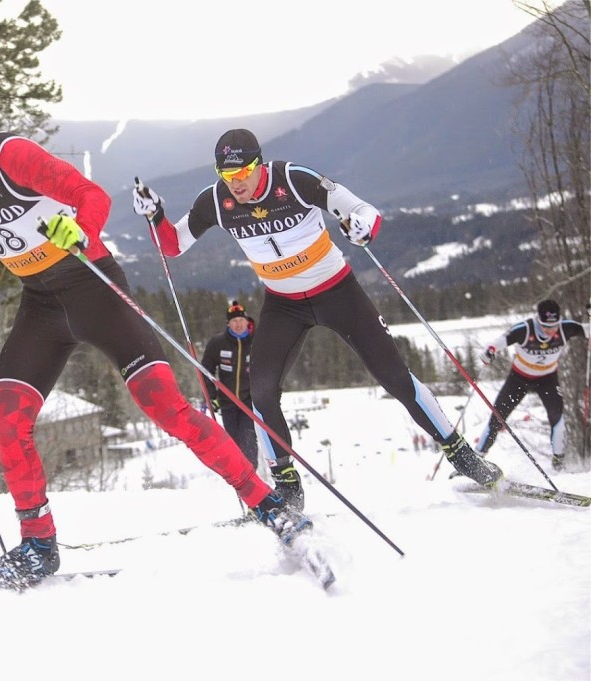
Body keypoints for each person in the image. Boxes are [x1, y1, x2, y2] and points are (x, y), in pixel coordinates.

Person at [0, 72, 316, 587]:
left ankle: (271, 508)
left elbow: (90, 196)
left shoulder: (11, 157)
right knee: (9, 417)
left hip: (93, 291)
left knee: (168, 408)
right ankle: (38, 546)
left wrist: (79, 229)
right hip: (41, 305)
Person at [132, 128, 503, 509]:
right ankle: (288, 485)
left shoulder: (295, 180)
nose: (237, 182)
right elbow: (172, 245)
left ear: (259, 164)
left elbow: (364, 211)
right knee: (260, 392)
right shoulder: (215, 201)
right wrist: (155, 215)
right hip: (283, 303)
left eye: (244, 172)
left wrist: (363, 227)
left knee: (394, 377)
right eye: (227, 175)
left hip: (337, 292)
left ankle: (461, 455)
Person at [475, 299, 588, 470]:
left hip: (547, 379)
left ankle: (559, 463)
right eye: (545, 326)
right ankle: (476, 460)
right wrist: (488, 352)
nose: (550, 331)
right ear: (538, 320)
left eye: (554, 325)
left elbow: (587, 330)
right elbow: (497, 343)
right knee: (497, 417)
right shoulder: (525, 330)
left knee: (557, 416)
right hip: (519, 378)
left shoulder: (566, 328)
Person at [201, 300, 260, 470]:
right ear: (228, 324)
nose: (239, 324)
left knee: (248, 438)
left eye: (242, 320)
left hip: (250, 401)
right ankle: (238, 477)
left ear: (247, 321)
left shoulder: (256, 341)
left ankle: (252, 476)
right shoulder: (217, 343)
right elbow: (206, 370)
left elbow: (270, 366)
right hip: (227, 403)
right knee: (233, 441)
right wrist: (211, 397)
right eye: (234, 321)